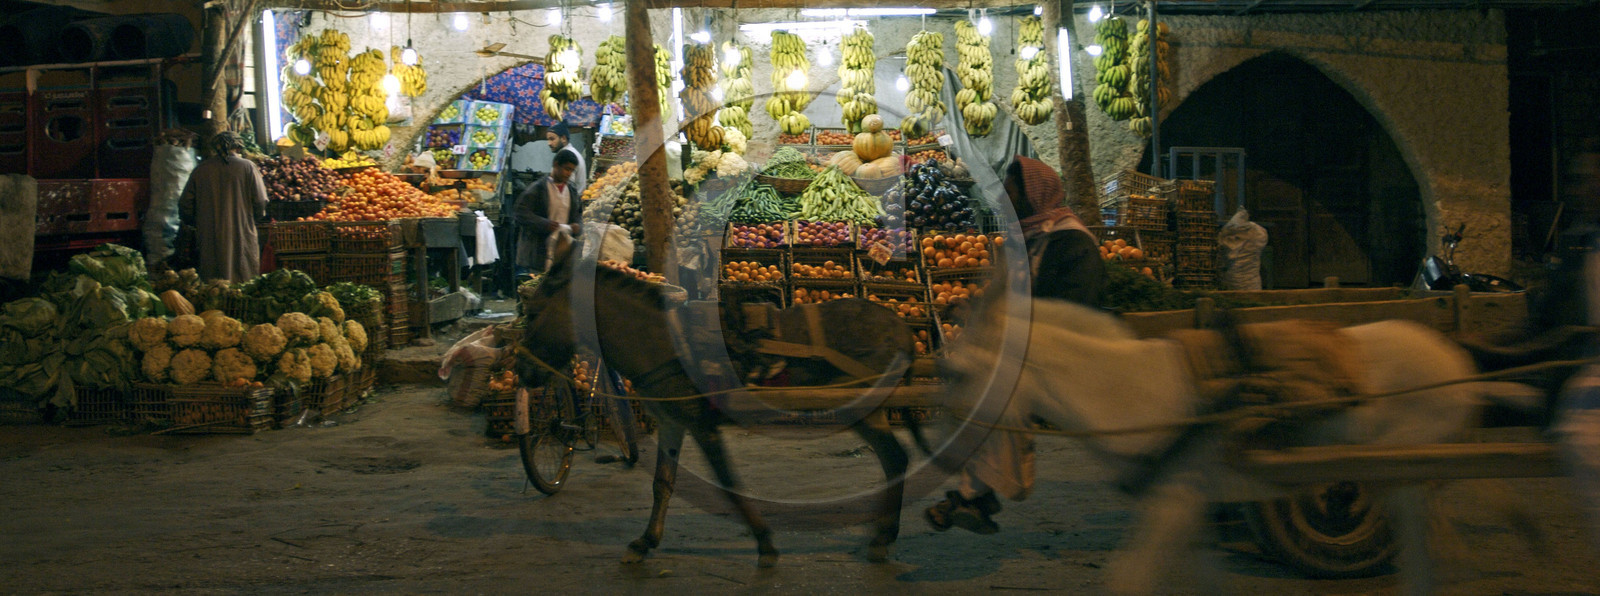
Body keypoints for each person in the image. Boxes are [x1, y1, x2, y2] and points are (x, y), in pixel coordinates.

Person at [925, 155, 1106, 534]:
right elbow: (1007, 297)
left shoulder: (1071, 240)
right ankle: (974, 487)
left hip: (1064, 349)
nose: (1006, 199)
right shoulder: (1027, 238)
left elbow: (1075, 308)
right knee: (970, 375)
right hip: (1028, 343)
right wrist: (977, 309)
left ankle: (974, 495)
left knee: (997, 391)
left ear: (1034, 194)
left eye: (1012, 191)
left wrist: (1016, 325)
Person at [178, 131, 268, 283]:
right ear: (238, 147)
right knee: (244, 277)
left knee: (213, 282)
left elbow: (185, 204)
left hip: (209, 232)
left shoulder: (201, 170)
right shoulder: (248, 167)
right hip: (242, 230)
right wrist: (255, 218)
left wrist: (198, 221)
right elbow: (260, 200)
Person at [512, 150, 582, 276]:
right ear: (556, 164)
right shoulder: (538, 188)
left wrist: (577, 225)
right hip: (538, 252)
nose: (569, 173)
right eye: (567, 169)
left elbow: (577, 214)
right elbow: (520, 213)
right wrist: (544, 223)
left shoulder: (571, 191)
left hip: (561, 251)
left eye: (572, 170)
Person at [547, 122, 588, 194]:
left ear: (563, 138)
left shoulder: (567, 156)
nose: (549, 143)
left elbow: (565, 187)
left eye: (552, 139)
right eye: (548, 139)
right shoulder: (571, 152)